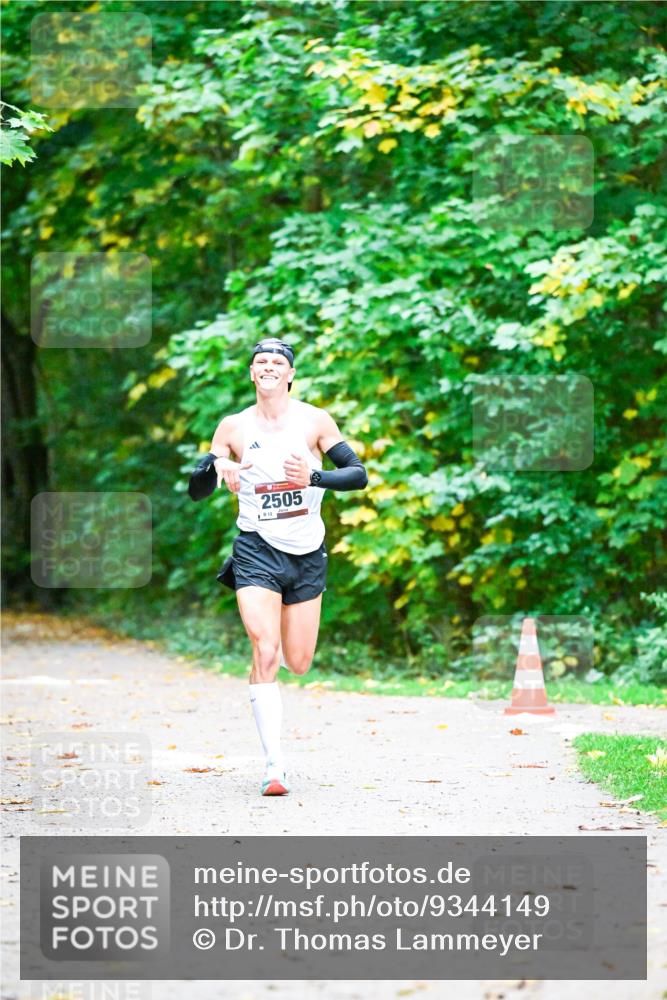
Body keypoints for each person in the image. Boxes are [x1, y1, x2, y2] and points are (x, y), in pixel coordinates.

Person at [188, 338, 368, 796]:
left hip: (307, 553)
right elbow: (196, 489)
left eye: (277, 362)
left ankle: (270, 693)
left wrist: (312, 476)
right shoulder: (232, 427)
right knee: (265, 649)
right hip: (256, 550)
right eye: (261, 362)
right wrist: (217, 466)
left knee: (299, 661)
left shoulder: (314, 421)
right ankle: (274, 765)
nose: (268, 367)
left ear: (289, 375)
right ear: (252, 373)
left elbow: (358, 474)